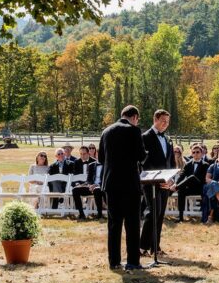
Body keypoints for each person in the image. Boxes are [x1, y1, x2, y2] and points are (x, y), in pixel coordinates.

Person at [98, 105, 147, 270]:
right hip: (129, 183)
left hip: (110, 184)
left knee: (114, 223)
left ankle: (114, 261)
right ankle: (133, 261)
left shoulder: (106, 131)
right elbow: (141, 156)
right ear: (134, 117)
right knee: (132, 223)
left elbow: (101, 158)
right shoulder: (133, 130)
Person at [139, 109, 176, 257]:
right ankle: (142, 247)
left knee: (160, 214)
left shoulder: (167, 139)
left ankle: (155, 247)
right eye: (163, 121)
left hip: (165, 183)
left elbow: (171, 162)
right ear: (155, 119)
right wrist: (156, 177)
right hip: (151, 182)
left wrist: (171, 178)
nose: (165, 124)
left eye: (167, 122)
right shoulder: (145, 137)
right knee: (152, 212)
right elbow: (143, 162)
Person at [175, 145, 209, 221]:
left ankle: (175, 188)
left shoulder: (206, 165)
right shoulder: (188, 164)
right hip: (190, 188)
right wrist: (175, 183)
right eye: (194, 152)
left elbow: (204, 179)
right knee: (181, 191)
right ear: (192, 153)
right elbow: (181, 176)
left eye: (198, 152)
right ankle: (180, 217)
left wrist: (176, 186)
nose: (196, 154)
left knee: (192, 177)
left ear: (201, 153)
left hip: (200, 188)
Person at [72, 153, 104, 219]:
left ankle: (99, 214)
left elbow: (106, 179)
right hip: (91, 186)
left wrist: (96, 185)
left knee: (97, 190)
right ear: (96, 155)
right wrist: (90, 185)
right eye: (99, 154)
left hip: (101, 187)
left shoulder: (106, 165)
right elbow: (89, 179)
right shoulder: (91, 165)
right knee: (75, 190)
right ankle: (81, 214)